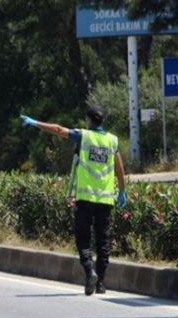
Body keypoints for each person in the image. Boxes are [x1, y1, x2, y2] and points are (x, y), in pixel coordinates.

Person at [19, 105, 127, 295]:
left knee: (83, 238)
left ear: (88, 120)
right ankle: (101, 283)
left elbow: (58, 129)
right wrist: (122, 191)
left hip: (85, 199)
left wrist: (35, 123)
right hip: (105, 201)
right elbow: (119, 167)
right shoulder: (112, 141)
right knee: (103, 241)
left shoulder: (83, 136)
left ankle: (89, 271)